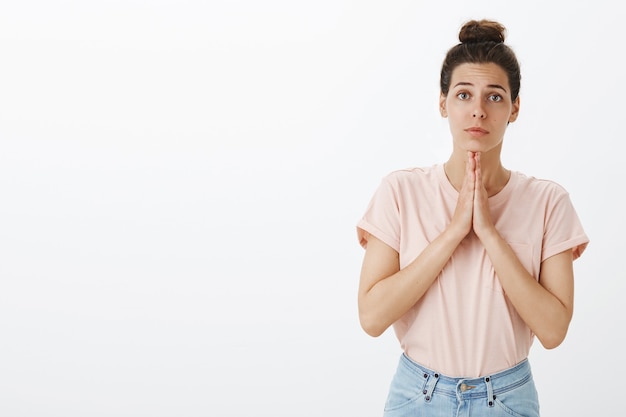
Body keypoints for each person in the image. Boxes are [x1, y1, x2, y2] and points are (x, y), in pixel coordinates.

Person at [356, 19, 589, 417]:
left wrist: (489, 234)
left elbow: (553, 331)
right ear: (443, 102)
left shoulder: (548, 201)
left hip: (508, 399)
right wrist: (453, 233)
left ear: (515, 108)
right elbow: (372, 317)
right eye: (464, 94)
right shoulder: (400, 192)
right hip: (417, 397)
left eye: (495, 97)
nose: (478, 111)